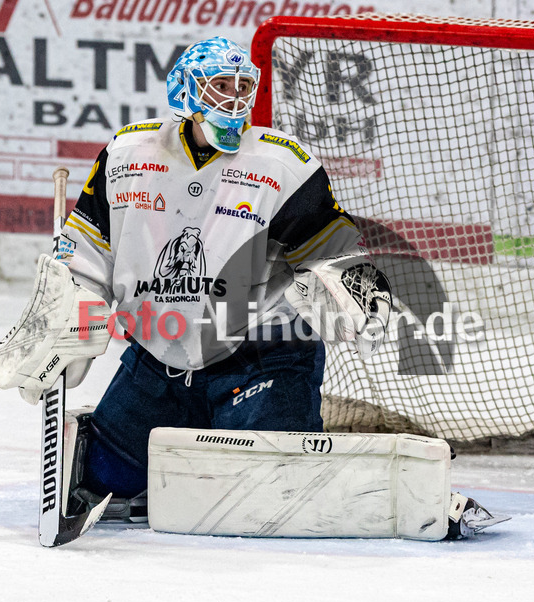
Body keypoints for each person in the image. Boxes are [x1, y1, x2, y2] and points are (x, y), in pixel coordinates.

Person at [52, 36, 392, 506]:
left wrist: (356, 290)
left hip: (262, 359)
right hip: (158, 355)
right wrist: (71, 317)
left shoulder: (281, 163)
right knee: (100, 483)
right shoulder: (127, 155)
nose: (233, 99)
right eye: (218, 86)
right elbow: (87, 254)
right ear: (184, 94)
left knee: (271, 498)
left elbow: (334, 249)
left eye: (241, 87)